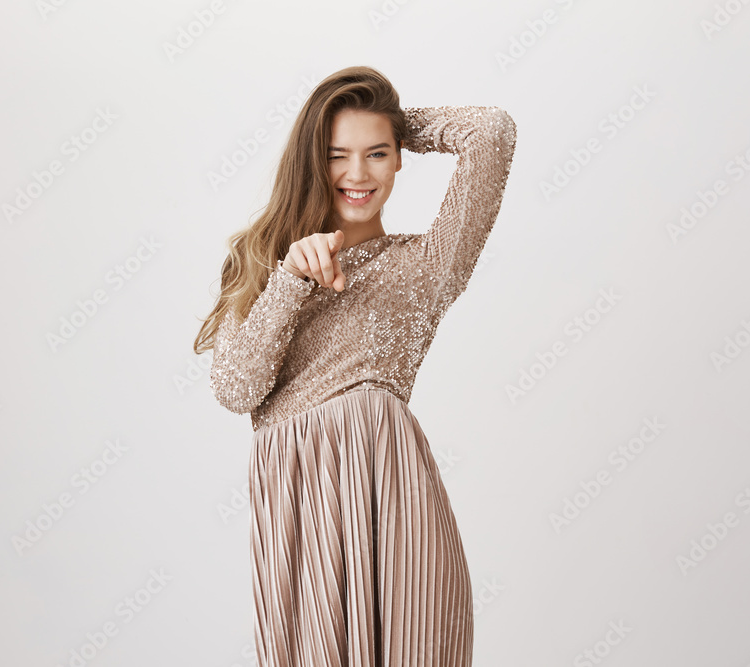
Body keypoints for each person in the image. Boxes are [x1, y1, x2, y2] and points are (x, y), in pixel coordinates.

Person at [193, 65, 517, 666]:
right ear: (312, 160)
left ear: (399, 160)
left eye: (377, 154)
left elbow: (490, 132)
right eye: (337, 154)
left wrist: (399, 124)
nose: (358, 174)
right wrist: (291, 278)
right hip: (298, 500)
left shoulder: (424, 266)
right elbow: (238, 389)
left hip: (391, 496)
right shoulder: (261, 261)